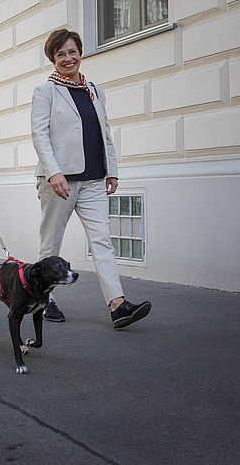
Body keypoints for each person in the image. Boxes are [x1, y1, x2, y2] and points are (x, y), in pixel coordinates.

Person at [30, 29, 151, 329]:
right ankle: (45, 300)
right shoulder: (45, 92)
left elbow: (104, 132)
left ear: (80, 53)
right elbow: (39, 135)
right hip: (59, 181)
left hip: (94, 178)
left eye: (72, 52)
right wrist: (54, 171)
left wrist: (112, 170)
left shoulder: (94, 90)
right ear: (53, 59)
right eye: (61, 54)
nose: (68, 58)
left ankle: (118, 305)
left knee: (102, 242)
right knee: (51, 242)